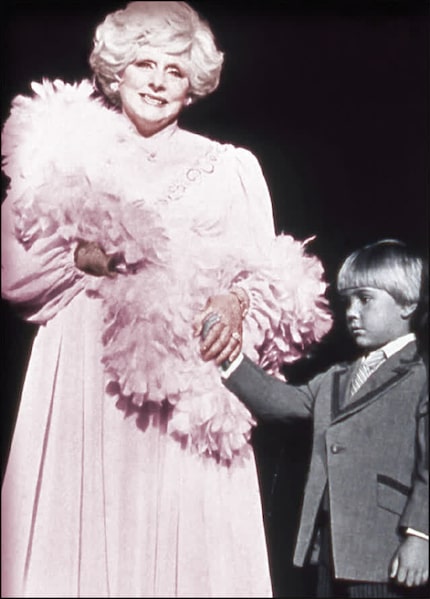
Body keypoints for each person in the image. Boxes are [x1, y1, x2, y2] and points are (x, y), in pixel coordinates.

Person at [1, 2, 333, 597]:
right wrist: (90, 258)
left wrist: (235, 302)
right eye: (144, 63)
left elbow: (266, 276)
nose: (157, 81)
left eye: (175, 70)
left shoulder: (228, 169)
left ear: (194, 84)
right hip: (83, 375)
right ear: (116, 71)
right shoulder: (64, 148)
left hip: (185, 383)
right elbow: (16, 276)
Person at [198, 239, 429, 598]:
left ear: (407, 303)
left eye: (365, 299)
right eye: (347, 301)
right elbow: (282, 402)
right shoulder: (337, 377)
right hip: (330, 551)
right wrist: (228, 357)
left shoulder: (421, 375)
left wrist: (420, 536)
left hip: (386, 553)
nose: (351, 312)